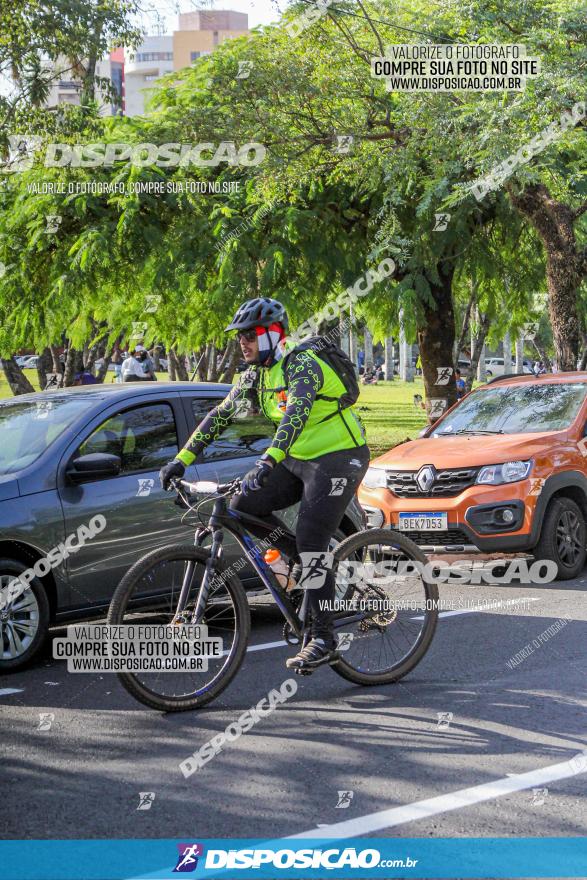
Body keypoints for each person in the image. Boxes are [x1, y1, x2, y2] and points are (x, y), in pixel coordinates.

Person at [160, 297, 370, 674]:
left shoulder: (301, 363)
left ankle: (323, 637)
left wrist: (267, 459)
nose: (242, 342)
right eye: (240, 337)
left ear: (275, 334)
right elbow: (219, 415)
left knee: (311, 539)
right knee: (241, 506)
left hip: (340, 456)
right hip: (298, 456)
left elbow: (297, 412)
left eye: (250, 335)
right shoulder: (256, 374)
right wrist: (181, 460)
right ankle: (299, 559)